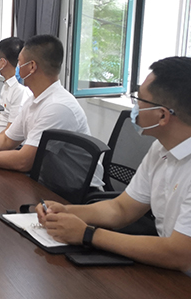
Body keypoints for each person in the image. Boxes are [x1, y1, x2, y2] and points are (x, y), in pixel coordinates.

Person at [37, 57, 191, 273]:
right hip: (169, 274)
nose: (135, 107)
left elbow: (179, 254)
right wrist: (67, 211)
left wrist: (87, 234)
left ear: (163, 115)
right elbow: (121, 209)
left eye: (139, 100)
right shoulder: (161, 148)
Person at [0, 35, 102, 185]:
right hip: (47, 181)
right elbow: (6, 140)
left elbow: (24, 161)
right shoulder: (34, 100)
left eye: (19, 62)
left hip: (73, 193)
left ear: (32, 66)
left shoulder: (57, 107)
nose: (17, 68)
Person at [0, 37, 32, 136]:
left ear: (3, 63)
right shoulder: (7, 84)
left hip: (2, 142)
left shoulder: (20, 90)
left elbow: (11, 133)